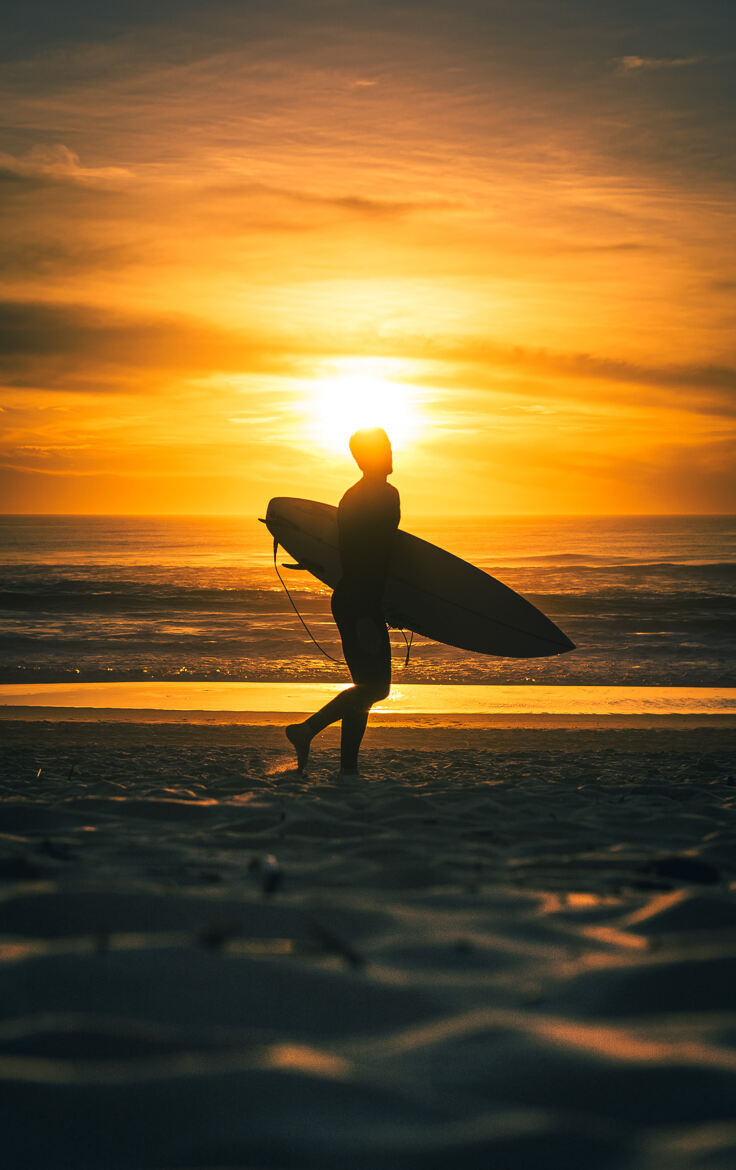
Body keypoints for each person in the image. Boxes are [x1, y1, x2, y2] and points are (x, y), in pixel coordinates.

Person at [286, 427, 400, 776]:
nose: (392, 452)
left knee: (364, 688)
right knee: (376, 688)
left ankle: (348, 770)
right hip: (363, 601)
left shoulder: (352, 496)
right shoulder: (384, 495)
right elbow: (382, 557)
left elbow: (346, 552)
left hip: (351, 598)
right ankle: (306, 730)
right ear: (371, 456)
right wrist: (388, 604)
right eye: (386, 447)